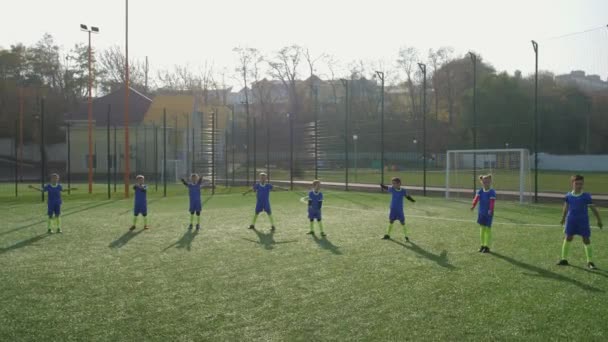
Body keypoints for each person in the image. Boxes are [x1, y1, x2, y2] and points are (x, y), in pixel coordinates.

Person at [557, 175, 603, 269]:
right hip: (571, 221)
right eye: (577, 183)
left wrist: (599, 220)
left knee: (586, 239)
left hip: (583, 221)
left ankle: (590, 262)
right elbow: (566, 208)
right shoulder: (568, 195)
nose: (579, 185)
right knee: (568, 237)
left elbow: (593, 209)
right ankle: (564, 259)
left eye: (581, 184)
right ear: (572, 184)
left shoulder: (586, 196)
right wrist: (563, 218)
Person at [471, 174, 496, 253]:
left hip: (488, 214)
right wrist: (473, 206)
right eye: (484, 182)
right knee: (482, 229)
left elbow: (492, 202)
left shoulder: (492, 192)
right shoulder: (480, 191)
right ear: (482, 182)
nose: (486, 184)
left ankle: (487, 246)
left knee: (487, 230)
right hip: (481, 213)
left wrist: (490, 210)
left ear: (490, 182)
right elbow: (476, 199)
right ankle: (482, 245)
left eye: (487, 182)